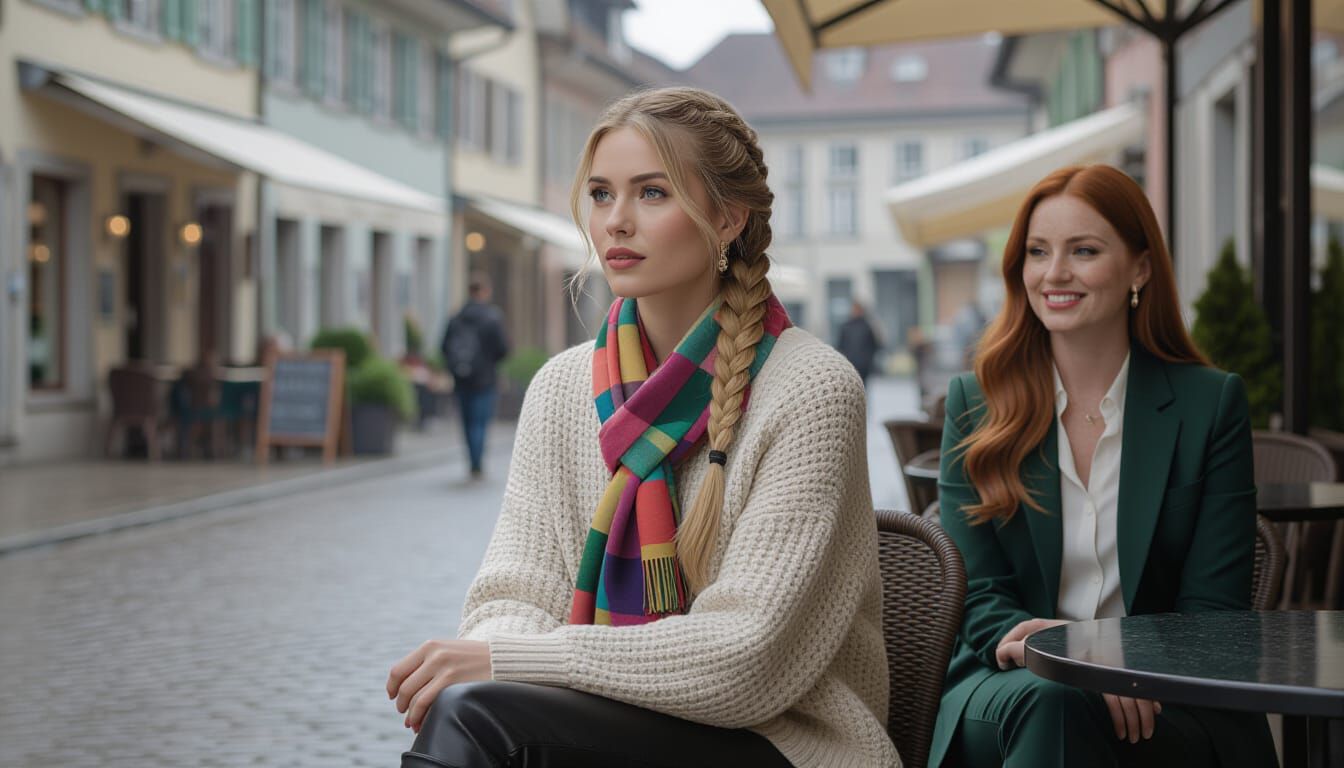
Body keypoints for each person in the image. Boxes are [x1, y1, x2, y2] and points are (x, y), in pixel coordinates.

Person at [387, 86, 896, 768]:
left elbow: (744, 661)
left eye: (651, 193)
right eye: (601, 194)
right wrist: (508, 651)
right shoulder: (562, 387)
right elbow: (514, 591)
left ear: (727, 218)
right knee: (469, 711)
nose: (616, 222)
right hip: (607, 721)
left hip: (779, 742)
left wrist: (516, 660)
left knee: (475, 721)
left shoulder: (809, 390)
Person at [929, 164, 1277, 768]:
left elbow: (1213, 617)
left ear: (1140, 268)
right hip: (1011, 682)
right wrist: (1072, 660)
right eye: (1038, 252)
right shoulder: (975, 402)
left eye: (1083, 251)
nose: (1055, 273)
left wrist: (1127, 667)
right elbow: (979, 593)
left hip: (1167, 695)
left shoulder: (1209, 405)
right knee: (1056, 702)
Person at [440, 273, 509, 478]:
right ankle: (477, 463)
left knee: (467, 420)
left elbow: (444, 346)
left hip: (462, 378)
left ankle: (471, 459)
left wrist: (455, 367)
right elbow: (503, 348)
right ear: (485, 292)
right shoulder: (492, 318)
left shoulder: (456, 318)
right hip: (485, 378)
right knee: (480, 421)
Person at [836, 300, 882, 384]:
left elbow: (875, 345)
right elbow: (840, 345)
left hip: (864, 365)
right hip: (849, 363)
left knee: (863, 386)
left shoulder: (867, 326)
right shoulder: (846, 326)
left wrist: (868, 359)